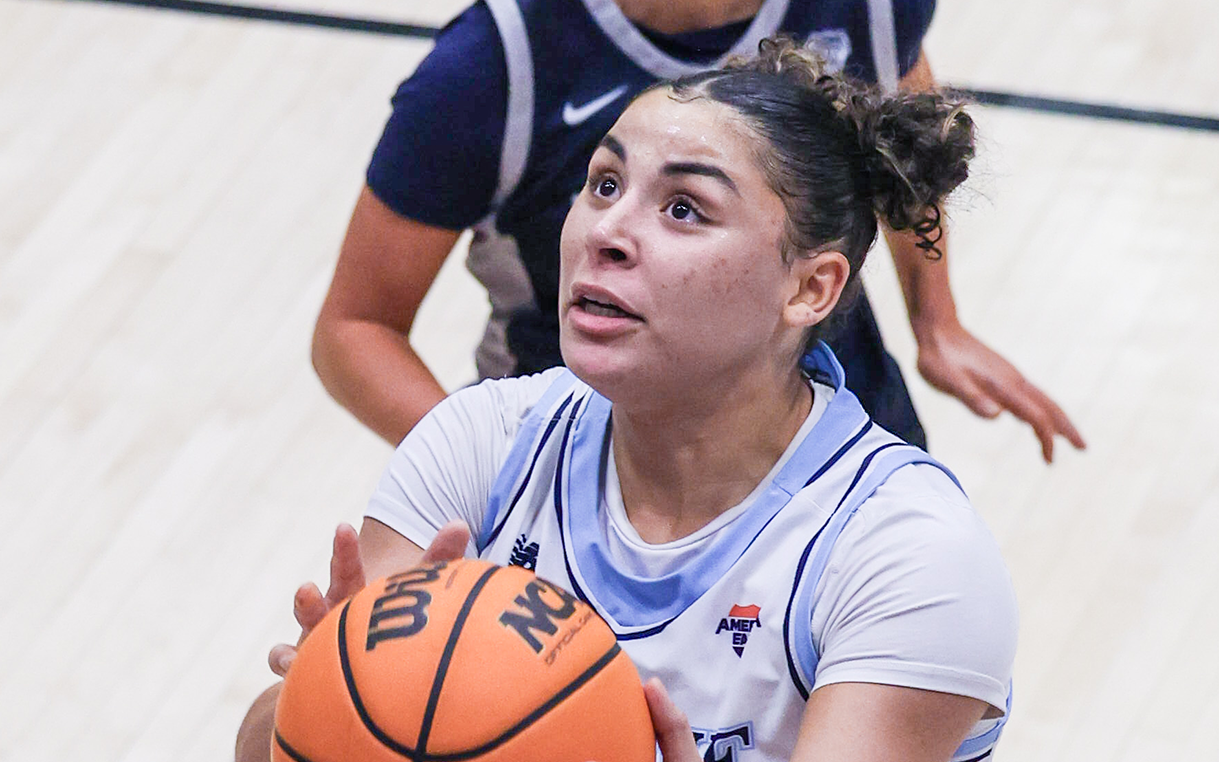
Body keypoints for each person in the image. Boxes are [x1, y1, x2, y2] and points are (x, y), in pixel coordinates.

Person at [238, 41, 1094, 762]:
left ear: (809, 285)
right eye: (603, 184)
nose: (607, 230)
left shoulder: (900, 546)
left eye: (683, 210)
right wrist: (316, 704)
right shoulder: (482, 451)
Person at [312, 0, 1086, 459]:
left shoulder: (872, 6)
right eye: (604, 184)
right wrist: (490, 470)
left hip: (832, 426)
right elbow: (355, 326)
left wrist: (935, 314)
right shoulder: (488, 68)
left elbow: (897, 101)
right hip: (582, 463)